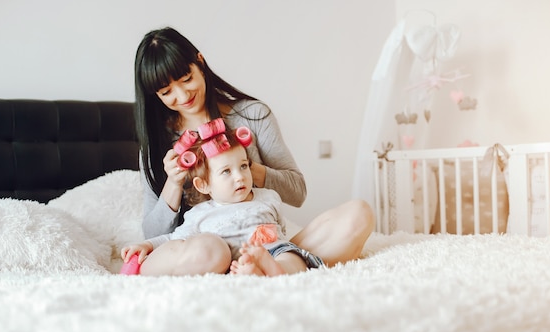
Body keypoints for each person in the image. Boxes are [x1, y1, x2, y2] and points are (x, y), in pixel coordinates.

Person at [133, 26, 375, 275]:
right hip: (208, 253)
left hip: (262, 247)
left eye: (186, 79)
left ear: (200, 63)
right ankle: (260, 272)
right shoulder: (156, 146)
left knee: (359, 215)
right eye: (166, 92)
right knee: (206, 252)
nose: (183, 95)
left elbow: (297, 192)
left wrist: (244, 168)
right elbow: (155, 235)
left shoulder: (252, 116)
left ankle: (266, 268)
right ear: (155, 96)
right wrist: (173, 183)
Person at [121, 128, 323, 277]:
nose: (240, 177)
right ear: (203, 185)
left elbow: (280, 229)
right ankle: (252, 271)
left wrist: (273, 245)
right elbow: (172, 238)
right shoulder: (200, 212)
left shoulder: (269, 196)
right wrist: (147, 244)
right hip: (229, 261)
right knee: (209, 251)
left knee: (293, 256)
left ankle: (274, 269)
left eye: (243, 166)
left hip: (270, 251)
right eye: (226, 171)